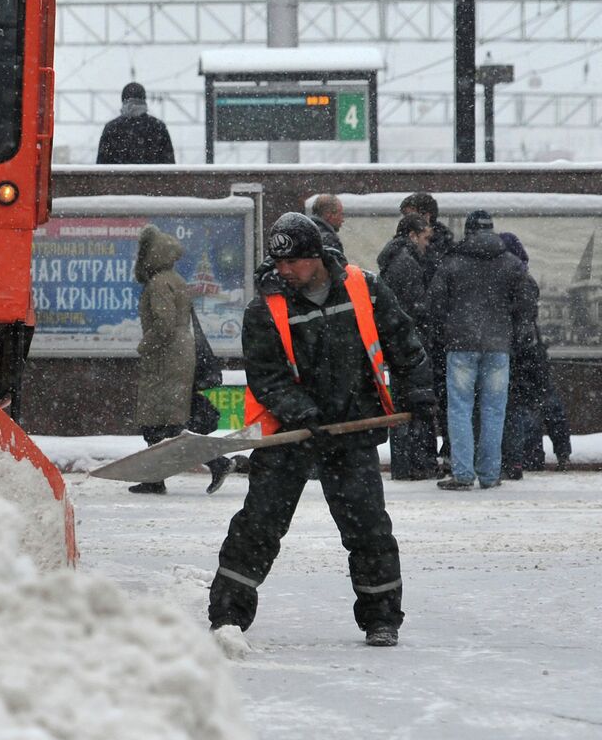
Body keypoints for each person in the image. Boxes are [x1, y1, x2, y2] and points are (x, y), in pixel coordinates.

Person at [209, 212, 434, 653]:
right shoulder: (265, 309)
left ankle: (381, 617)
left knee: (368, 528)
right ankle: (228, 615)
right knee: (259, 525)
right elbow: (267, 378)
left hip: (351, 430)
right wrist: (304, 412)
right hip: (289, 433)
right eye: (277, 263)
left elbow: (404, 343)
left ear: (316, 257)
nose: (283, 270)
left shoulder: (364, 288)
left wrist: (419, 395)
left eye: (291, 262)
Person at [427, 210, 534, 491]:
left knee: (459, 409)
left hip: (460, 344)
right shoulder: (511, 263)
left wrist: (445, 331)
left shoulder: (452, 262)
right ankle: (489, 474)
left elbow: (435, 304)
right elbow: (526, 303)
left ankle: (462, 473)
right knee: (494, 410)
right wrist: (512, 331)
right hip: (499, 345)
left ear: (468, 231)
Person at [126, 225, 231, 495]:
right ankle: (157, 477)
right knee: (166, 422)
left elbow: (164, 324)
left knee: (161, 423)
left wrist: (144, 345)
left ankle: (216, 463)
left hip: (165, 359)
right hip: (179, 355)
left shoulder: (159, 283)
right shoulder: (175, 279)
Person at [496, 232, 570, 476]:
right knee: (546, 404)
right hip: (533, 351)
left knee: (517, 407)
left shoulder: (509, 279)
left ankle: (520, 460)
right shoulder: (525, 278)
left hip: (518, 352)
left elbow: (519, 319)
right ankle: (558, 454)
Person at [380, 214, 441, 479]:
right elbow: (415, 309)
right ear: (413, 235)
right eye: (425, 238)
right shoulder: (407, 264)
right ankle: (414, 465)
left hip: (399, 344)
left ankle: (406, 465)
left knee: (404, 405)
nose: (428, 244)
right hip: (409, 346)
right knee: (415, 405)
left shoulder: (394, 261)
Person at [96, 82, 176, 165]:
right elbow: (169, 166)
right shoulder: (158, 127)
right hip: (152, 177)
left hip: (118, 177)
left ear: (123, 101)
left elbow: (101, 167)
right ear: (144, 100)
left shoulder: (111, 128)